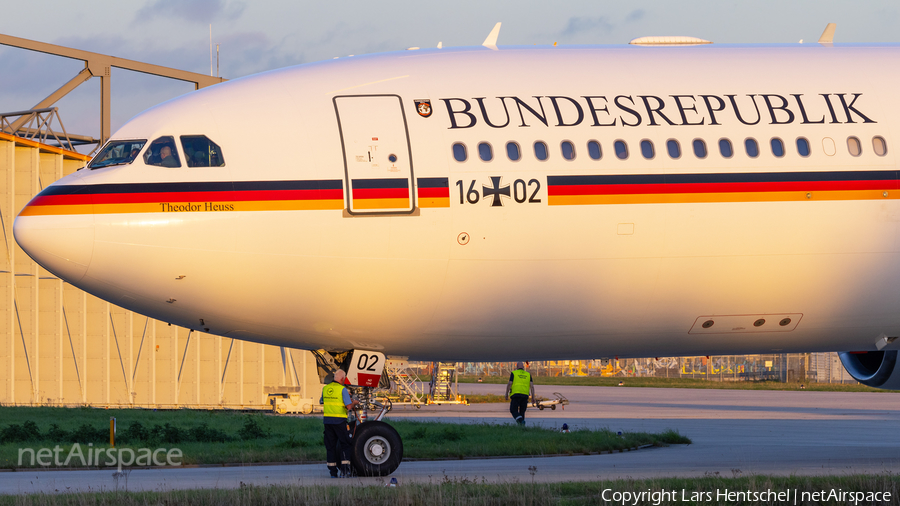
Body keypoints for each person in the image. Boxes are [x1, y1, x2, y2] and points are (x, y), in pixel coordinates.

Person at [320, 369, 358, 477]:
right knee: (345, 444)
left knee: (330, 446)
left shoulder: (325, 388)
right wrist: (354, 401)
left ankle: (333, 473)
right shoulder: (342, 389)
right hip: (339, 421)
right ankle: (345, 471)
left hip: (327, 421)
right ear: (342, 379)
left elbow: (322, 401)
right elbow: (349, 406)